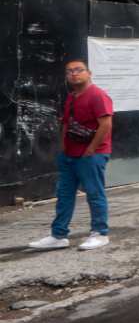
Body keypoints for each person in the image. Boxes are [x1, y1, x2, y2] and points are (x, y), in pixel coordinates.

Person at [29, 59, 113, 251]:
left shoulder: (97, 95)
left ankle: (100, 233)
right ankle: (58, 235)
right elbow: (66, 123)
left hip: (92, 155)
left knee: (94, 193)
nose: (74, 74)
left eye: (78, 70)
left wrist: (91, 149)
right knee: (64, 195)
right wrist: (63, 147)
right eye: (69, 71)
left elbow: (106, 124)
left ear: (89, 73)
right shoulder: (72, 96)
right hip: (69, 155)